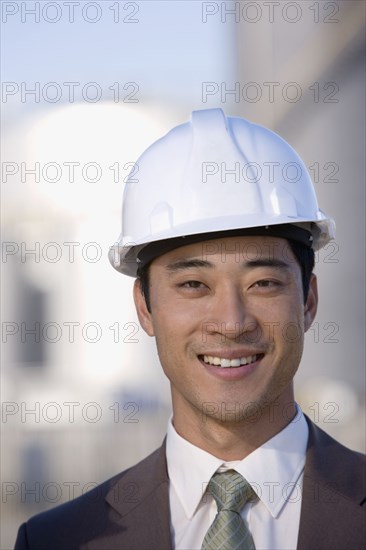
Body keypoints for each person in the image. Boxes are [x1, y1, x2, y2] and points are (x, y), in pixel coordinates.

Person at [15, 109, 365, 550]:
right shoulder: (57, 541)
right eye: (194, 285)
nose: (232, 322)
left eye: (263, 284)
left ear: (308, 301)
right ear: (145, 308)